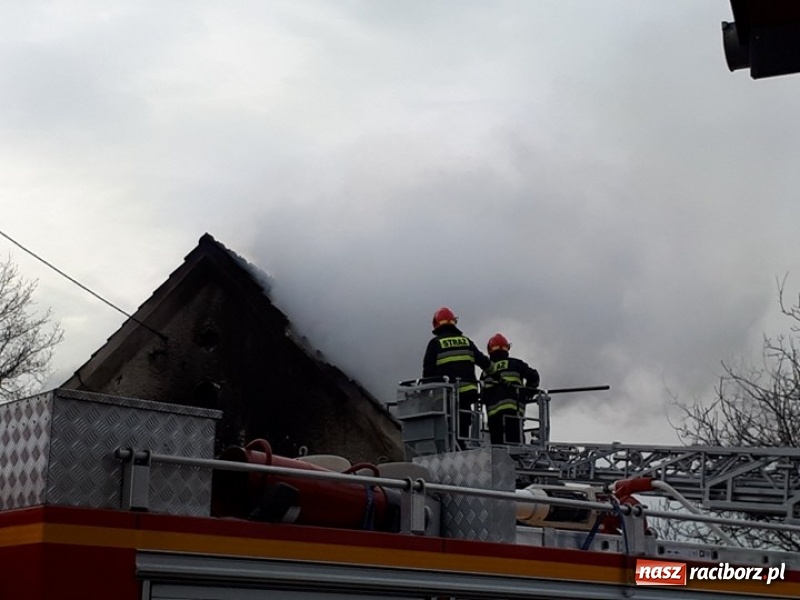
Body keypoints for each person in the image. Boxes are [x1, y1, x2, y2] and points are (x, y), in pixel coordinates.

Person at [423, 307, 491, 446]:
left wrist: (424, 394)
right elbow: (486, 364)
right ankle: (462, 444)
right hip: (467, 393)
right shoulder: (466, 341)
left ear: (437, 324)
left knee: (446, 425)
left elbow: (427, 373)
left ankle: (450, 446)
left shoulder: (435, 344)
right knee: (463, 422)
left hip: (444, 395)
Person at [481, 333, 540, 445]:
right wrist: (528, 392)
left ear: (490, 350)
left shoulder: (486, 372)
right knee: (515, 447)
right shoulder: (516, 364)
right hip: (514, 412)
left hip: (494, 416)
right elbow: (534, 376)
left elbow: (483, 395)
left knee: (497, 449)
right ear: (506, 349)